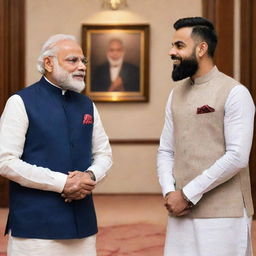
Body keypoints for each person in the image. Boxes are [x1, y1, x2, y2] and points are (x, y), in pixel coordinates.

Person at [0, 34, 112, 256]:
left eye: (83, 61)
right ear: (48, 63)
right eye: (73, 60)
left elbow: (104, 154)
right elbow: (5, 161)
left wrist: (89, 176)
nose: (81, 66)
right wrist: (63, 183)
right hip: (35, 227)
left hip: (83, 224)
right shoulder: (21, 101)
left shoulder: (87, 104)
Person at [157, 17, 255, 256]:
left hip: (223, 213)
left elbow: (237, 157)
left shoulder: (235, 93)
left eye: (179, 45)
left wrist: (188, 194)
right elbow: (165, 150)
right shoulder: (175, 94)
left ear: (202, 49)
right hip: (180, 210)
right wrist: (170, 192)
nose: (172, 52)